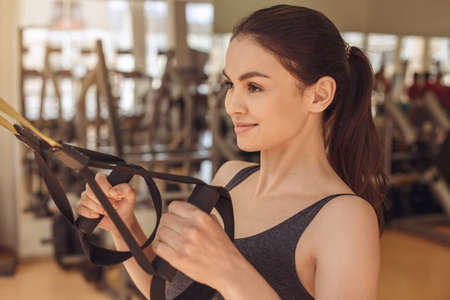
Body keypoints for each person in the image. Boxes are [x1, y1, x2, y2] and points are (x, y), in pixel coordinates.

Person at [76, 5, 387, 299]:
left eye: (254, 87)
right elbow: (170, 294)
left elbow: (226, 276)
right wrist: (124, 226)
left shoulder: (345, 219)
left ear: (319, 95)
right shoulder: (229, 177)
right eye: (230, 84)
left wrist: (228, 270)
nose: (232, 106)